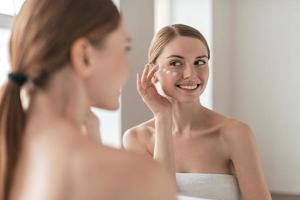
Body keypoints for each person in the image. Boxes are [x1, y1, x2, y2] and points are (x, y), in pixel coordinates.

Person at [0, 0, 177, 199]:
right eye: (125, 49)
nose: (128, 70)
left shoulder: (11, 156)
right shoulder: (139, 177)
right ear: (84, 56)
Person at [123, 24, 272, 200]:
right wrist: (163, 118)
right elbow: (162, 196)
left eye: (200, 62)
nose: (190, 74)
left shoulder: (234, 133)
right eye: (175, 63)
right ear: (153, 72)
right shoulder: (137, 139)